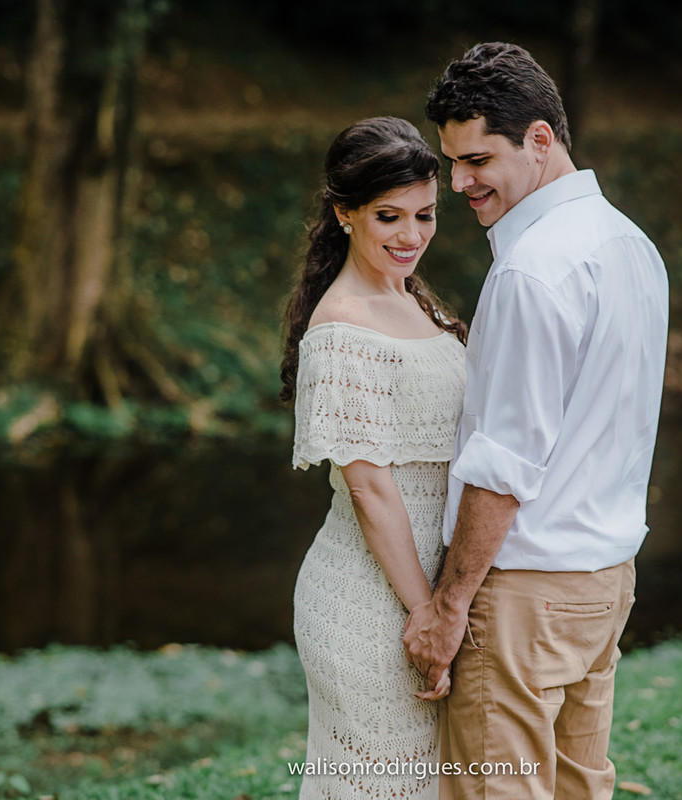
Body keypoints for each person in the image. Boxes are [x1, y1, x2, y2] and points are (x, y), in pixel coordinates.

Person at [402, 43, 670, 799]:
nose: (459, 183)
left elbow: (505, 463)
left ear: (541, 140)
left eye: (478, 160)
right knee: (580, 789)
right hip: (605, 583)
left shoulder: (531, 270)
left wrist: (450, 606)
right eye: (453, 163)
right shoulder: (632, 246)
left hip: (525, 595)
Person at [281, 116, 468, 799]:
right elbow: (371, 490)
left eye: (425, 215)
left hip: (424, 592)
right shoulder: (341, 327)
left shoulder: (415, 301)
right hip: (371, 599)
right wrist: (426, 617)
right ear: (345, 213)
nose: (411, 236)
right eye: (389, 216)